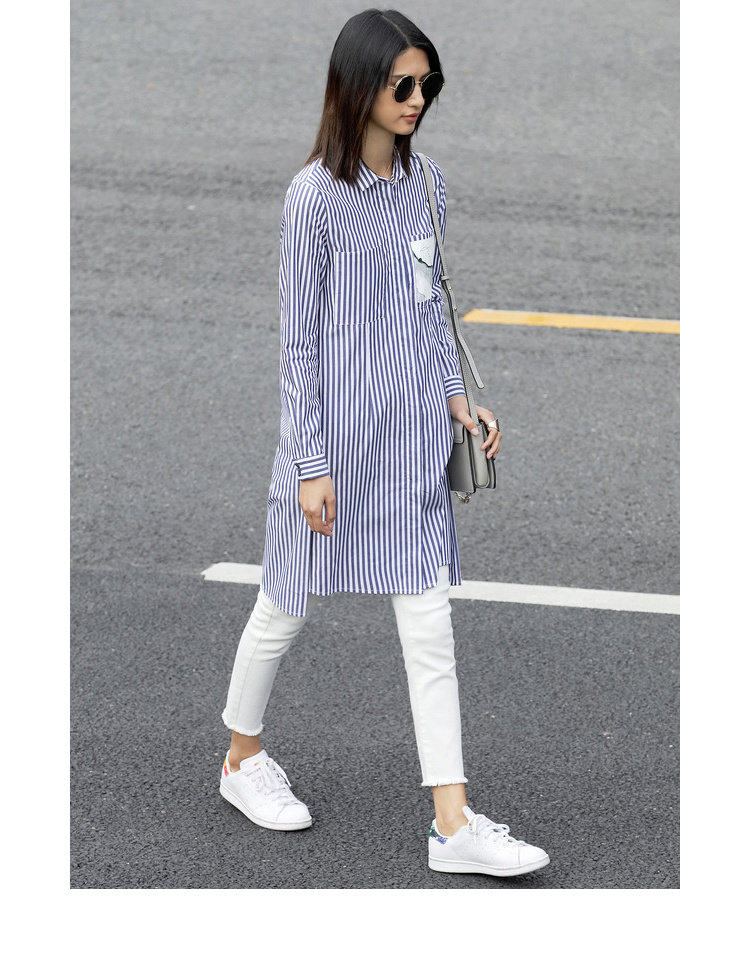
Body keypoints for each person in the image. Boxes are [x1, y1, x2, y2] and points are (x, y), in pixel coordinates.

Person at [219, 8, 549, 879]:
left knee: (429, 624)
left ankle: (453, 822)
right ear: (359, 86)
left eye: (427, 84)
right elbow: (296, 344)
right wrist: (310, 464)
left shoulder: (426, 184)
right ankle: (241, 759)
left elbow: (430, 311)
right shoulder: (313, 199)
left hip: (411, 446)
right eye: (402, 84)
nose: (417, 99)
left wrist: (457, 402)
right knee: (284, 604)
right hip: (331, 448)